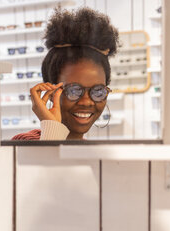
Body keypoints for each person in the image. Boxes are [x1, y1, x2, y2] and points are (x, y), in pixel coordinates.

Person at [12, 7, 119, 140]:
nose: (86, 102)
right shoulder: (26, 143)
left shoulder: (91, 152)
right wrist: (51, 126)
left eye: (98, 91)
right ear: (51, 91)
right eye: (73, 90)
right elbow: (46, 159)